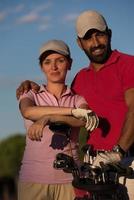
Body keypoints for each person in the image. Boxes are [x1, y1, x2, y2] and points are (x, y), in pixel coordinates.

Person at [16, 10, 134, 199]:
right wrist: (32, 86)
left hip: (127, 158)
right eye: (88, 38)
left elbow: (131, 108)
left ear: (109, 34)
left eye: (100, 34)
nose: (95, 43)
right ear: (80, 43)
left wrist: (118, 151)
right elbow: (70, 110)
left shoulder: (129, 64)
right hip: (92, 164)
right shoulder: (80, 79)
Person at [17, 39, 99, 200]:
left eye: (60, 61)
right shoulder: (30, 94)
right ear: (41, 67)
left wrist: (50, 117)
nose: (53, 67)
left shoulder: (77, 98)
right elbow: (27, 111)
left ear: (69, 64)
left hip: (71, 181)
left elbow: (84, 120)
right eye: (47, 62)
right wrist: (71, 112)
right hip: (33, 181)